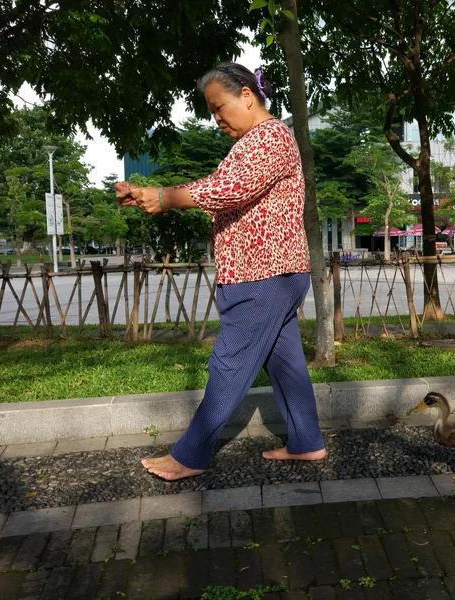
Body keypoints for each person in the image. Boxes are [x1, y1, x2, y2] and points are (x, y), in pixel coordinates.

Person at [115, 63, 327, 481]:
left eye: (219, 107)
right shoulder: (256, 142)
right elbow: (218, 185)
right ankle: (307, 442)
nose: (216, 119)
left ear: (247, 96)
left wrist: (166, 197)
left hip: (262, 273)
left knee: (228, 365)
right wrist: (150, 195)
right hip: (274, 271)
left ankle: (189, 455)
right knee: (285, 366)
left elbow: (230, 190)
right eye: (211, 111)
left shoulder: (269, 137)